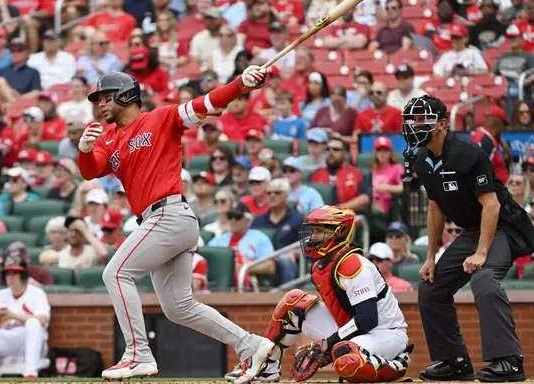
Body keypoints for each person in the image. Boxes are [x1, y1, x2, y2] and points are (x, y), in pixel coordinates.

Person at [77, 69, 275, 379]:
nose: (100, 104)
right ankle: (250, 345)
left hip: (169, 214)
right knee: (178, 307)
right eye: (98, 99)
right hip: (163, 221)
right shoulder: (108, 137)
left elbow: (205, 104)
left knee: (116, 273)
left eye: (105, 97)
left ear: (125, 95)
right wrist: (85, 149)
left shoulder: (161, 118)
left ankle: (138, 354)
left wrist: (239, 85)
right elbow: (92, 171)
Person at [402, 95, 534, 381]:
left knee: (484, 279)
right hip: (473, 231)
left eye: (423, 119)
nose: (415, 125)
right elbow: (435, 207)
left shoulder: (467, 152)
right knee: (430, 287)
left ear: (442, 124)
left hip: (504, 227)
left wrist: (482, 252)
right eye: (413, 119)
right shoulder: (423, 159)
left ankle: (510, 362)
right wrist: (430, 257)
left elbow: (492, 205)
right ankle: (455, 362)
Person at [227, 205, 412, 384]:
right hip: (353, 327)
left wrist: (328, 343)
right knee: (293, 302)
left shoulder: (353, 264)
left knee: (346, 359)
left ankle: (397, 362)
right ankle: (265, 366)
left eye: (319, 231)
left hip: (386, 333)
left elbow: (368, 319)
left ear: (339, 233)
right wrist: (330, 343)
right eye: (312, 230)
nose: (312, 237)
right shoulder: (320, 266)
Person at [470, 105, 510, 185]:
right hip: (493, 190)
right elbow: (480, 170)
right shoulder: (486, 140)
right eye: (503, 124)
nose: (503, 128)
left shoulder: (484, 136)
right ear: (497, 122)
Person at [371, 137, 404, 215]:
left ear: (390, 153)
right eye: (379, 150)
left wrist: (386, 187)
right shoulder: (372, 169)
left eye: (385, 150)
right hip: (370, 204)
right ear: (375, 153)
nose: (382, 153)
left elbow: (403, 188)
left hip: (385, 207)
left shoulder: (397, 168)